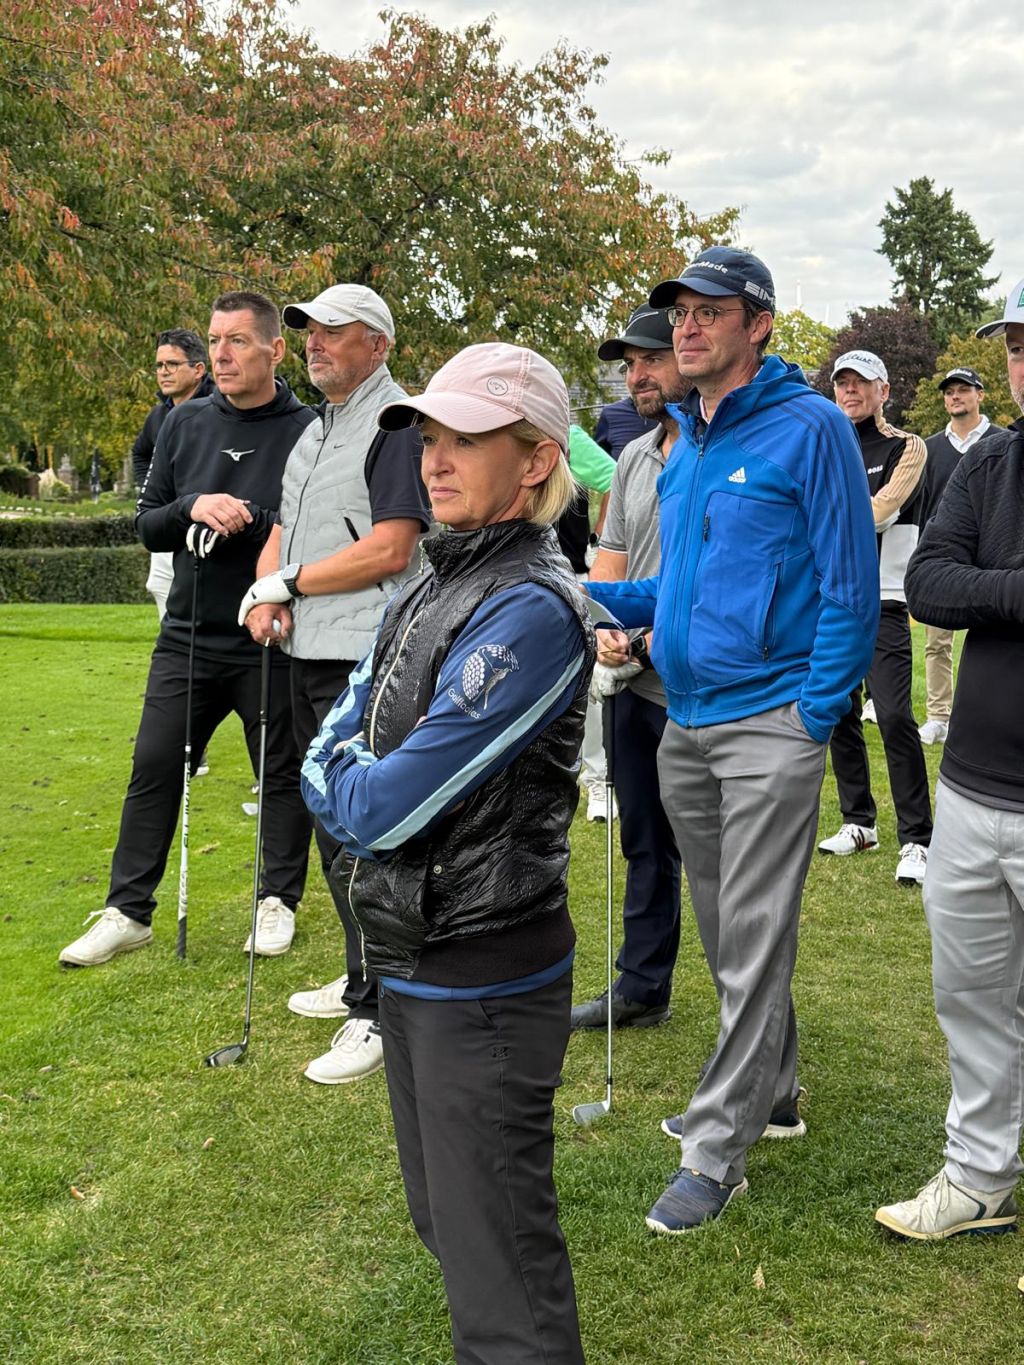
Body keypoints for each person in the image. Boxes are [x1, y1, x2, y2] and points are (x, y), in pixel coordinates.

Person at [302, 342, 593, 1363]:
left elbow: (379, 805)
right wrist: (344, 777)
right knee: (449, 1223)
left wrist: (343, 782)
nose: (434, 459)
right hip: (413, 955)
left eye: (466, 439)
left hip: (485, 974)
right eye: (429, 436)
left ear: (536, 458)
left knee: (497, 1262)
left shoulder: (530, 607)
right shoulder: (436, 569)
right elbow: (338, 729)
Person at [585, 246, 878, 1234]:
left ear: (758, 324)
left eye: (710, 311)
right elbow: (674, 589)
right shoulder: (686, 444)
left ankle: (717, 1150)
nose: (687, 327)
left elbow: (849, 588)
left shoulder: (811, 429)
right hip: (685, 722)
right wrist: (580, 594)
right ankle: (775, 1091)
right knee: (725, 933)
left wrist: (811, 716)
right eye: (680, 312)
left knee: (752, 932)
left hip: (770, 727)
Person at [59, 292, 316, 967]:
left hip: (271, 638)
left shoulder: (310, 429)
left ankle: (277, 901)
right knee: (153, 766)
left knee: (282, 776)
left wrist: (251, 520)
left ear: (275, 350)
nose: (222, 355)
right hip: (188, 637)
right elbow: (148, 523)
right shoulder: (184, 422)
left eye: (238, 341)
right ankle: (127, 911)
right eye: (215, 340)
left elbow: (316, 531)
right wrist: (193, 506)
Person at [239, 283, 431, 1084]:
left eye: (333, 331)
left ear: (377, 345)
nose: (314, 343)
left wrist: (291, 582)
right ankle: (362, 978)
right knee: (332, 827)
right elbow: (288, 530)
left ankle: (381, 1008)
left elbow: (392, 547)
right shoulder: (318, 428)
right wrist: (268, 592)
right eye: (309, 331)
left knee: (365, 833)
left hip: (365, 651)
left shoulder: (394, 424)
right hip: (308, 649)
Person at [874, 277, 1024, 1247]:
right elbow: (928, 581)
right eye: (1016, 345)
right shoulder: (991, 460)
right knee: (969, 998)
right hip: (970, 787)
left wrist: (989, 588)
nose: (1022, 363)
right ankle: (978, 1176)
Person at [571, 304, 687, 1031]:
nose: (636, 376)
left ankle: (756, 1018)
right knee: (644, 841)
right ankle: (643, 985)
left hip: (698, 686)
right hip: (632, 680)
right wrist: (607, 631)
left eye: (651, 359)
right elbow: (610, 561)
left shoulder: (719, 448)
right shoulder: (634, 457)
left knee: (721, 860)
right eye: (630, 364)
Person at [818, 350, 933, 885]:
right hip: (832, 598)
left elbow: (882, 511)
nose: (850, 390)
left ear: (883, 390)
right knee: (839, 710)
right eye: (842, 382)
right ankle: (859, 821)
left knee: (892, 715)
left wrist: (824, 516)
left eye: (861, 382)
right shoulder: (824, 446)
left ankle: (918, 839)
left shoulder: (907, 446)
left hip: (885, 598)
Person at [918, 367, 1007, 746]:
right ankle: (939, 716)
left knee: (998, 641)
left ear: (980, 395)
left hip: (995, 558)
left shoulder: (1004, 442)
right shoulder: (930, 449)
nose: (955, 396)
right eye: (949, 391)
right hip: (946, 560)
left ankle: (996, 716)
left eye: (963, 390)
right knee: (937, 643)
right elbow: (923, 505)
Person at [131, 329, 214, 620]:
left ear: (198, 369)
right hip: (169, 523)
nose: (163, 372)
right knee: (161, 587)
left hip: (209, 527)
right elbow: (140, 453)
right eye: (159, 365)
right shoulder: (158, 416)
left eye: (172, 364)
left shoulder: (221, 409)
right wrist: (153, 492)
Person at [558, 423, 618, 822]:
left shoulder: (569, 437)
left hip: (573, 577)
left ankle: (598, 779)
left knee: (588, 686)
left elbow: (615, 479)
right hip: (516, 581)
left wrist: (602, 536)